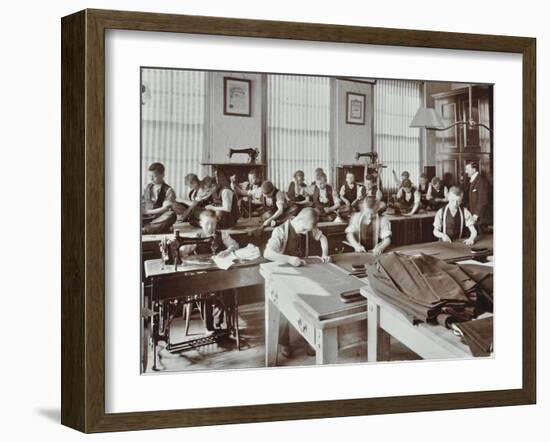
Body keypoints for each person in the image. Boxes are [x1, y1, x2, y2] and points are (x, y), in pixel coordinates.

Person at [263, 207, 330, 358]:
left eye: (308, 230)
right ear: (298, 220)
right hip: (284, 271)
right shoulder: (280, 231)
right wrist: (289, 259)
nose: (306, 233)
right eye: (305, 229)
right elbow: (267, 253)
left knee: (312, 303)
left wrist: (325, 254)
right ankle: (284, 343)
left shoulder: (308, 226)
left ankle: (311, 339)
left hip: (302, 269)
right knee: (282, 307)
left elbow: (323, 238)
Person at [179, 209, 240, 334]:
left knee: (228, 290)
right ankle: (209, 327)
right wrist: (179, 249)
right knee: (204, 293)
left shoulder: (222, 234)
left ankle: (226, 323)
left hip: (219, 273)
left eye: (213, 224)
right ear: (201, 224)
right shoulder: (197, 237)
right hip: (202, 277)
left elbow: (235, 245)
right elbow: (183, 250)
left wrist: (228, 251)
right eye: (207, 224)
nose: (210, 227)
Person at [141, 162, 177, 234]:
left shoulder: (169, 190)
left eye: (154, 176)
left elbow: (165, 209)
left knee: (171, 215)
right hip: (146, 217)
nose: (151, 179)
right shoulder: (146, 187)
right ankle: (159, 229)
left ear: (162, 174)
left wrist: (147, 211)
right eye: (149, 176)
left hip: (159, 218)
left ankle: (144, 230)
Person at [465, 161, 490, 232]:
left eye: (467, 169)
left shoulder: (481, 181)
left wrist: (475, 215)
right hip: (473, 216)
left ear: (474, 170)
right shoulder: (472, 180)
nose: (466, 172)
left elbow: (483, 201)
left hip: (480, 218)